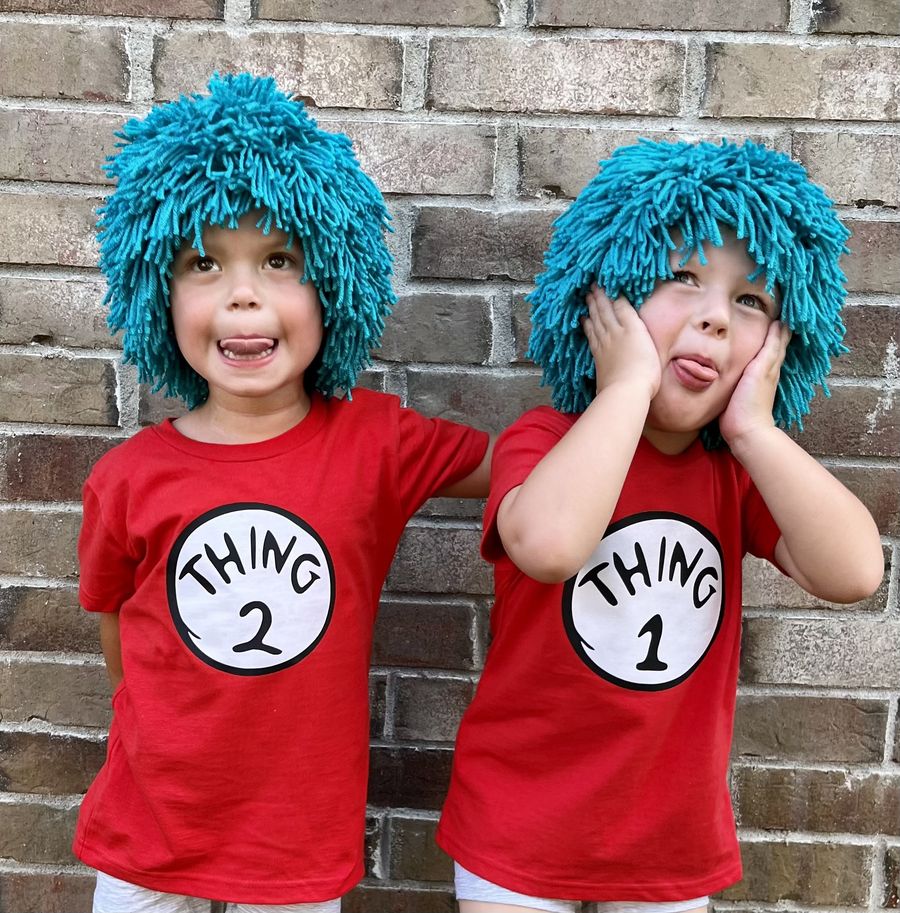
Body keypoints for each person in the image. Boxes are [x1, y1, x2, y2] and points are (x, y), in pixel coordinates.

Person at [74, 72, 491, 913]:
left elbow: (525, 471)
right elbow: (118, 632)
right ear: (160, 292)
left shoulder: (378, 439)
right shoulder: (127, 476)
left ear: (331, 281)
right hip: (147, 829)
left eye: (278, 259)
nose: (243, 291)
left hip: (292, 841)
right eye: (204, 262)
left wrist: (637, 407)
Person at [436, 139, 884, 913]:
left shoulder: (732, 472)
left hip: (667, 840)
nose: (714, 316)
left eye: (752, 302)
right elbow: (548, 546)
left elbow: (854, 572)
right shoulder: (544, 440)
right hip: (518, 826)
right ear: (605, 298)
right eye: (682, 277)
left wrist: (755, 432)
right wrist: (628, 386)